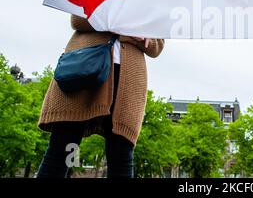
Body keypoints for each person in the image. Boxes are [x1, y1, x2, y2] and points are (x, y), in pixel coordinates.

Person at [37, 15, 165, 178]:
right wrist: (129, 31)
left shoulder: (148, 0)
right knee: (62, 149)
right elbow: (78, 20)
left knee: (121, 156)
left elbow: (156, 47)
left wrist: (140, 35)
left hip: (128, 82)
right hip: (83, 69)